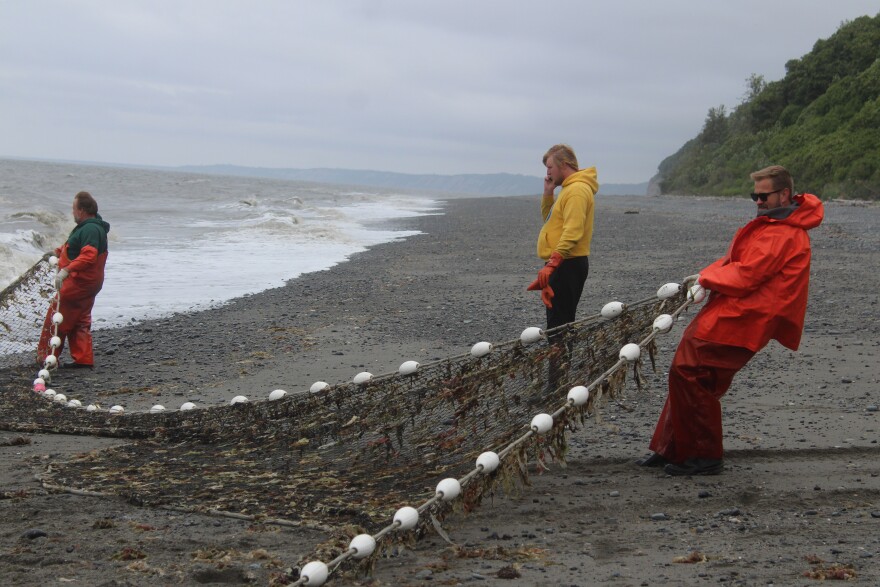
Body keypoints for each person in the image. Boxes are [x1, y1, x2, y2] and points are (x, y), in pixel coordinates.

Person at [638, 165, 824, 476]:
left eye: (763, 196)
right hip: (735, 311)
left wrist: (708, 277)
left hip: (748, 318)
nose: (758, 201)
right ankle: (674, 447)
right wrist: (705, 274)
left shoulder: (784, 233)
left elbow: (747, 274)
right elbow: (735, 262)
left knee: (690, 371)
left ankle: (702, 455)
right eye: (755, 195)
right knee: (693, 373)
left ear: (784, 194)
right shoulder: (773, 225)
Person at [527, 144, 599, 329]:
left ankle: (560, 358)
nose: (548, 173)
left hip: (567, 264)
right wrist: (548, 193)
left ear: (564, 164)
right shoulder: (569, 189)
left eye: (550, 167)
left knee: (559, 324)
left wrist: (552, 265)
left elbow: (573, 231)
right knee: (559, 322)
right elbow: (550, 221)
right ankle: (561, 357)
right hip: (562, 262)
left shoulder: (576, 190)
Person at [37, 191, 110, 369]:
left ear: (82, 210)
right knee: (80, 320)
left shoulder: (91, 229)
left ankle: (46, 358)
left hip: (79, 282)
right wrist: (57, 252)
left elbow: (89, 255)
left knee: (56, 318)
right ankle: (84, 359)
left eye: (74, 209)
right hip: (91, 283)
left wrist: (66, 271)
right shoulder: (92, 226)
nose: (72, 213)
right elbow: (73, 246)